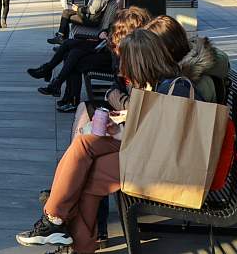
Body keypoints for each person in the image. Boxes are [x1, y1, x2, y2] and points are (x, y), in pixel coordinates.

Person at [16, 29, 198, 252]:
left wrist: (121, 132)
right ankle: (56, 222)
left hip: (166, 166)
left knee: (88, 166)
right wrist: (119, 129)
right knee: (85, 148)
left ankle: (55, 221)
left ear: (141, 61)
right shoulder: (159, 83)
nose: (122, 70)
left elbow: (166, 139)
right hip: (147, 152)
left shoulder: (175, 87)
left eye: (126, 63)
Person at [35, 5, 151, 114]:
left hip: (107, 55)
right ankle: (60, 87)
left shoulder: (129, 31)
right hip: (104, 48)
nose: (116, 1)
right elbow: (108, 28)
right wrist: (104, 33)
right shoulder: (123, 18)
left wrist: (111, 94)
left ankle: (61, 87)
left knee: (74, 56)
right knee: (71, 50)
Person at [48, 0, 114, 45]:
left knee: (66, 16)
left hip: (91, 20)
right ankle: (61, 38)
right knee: (66, 12)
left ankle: (62, 39)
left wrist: (78, 9)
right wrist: (79, 8)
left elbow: (92, 10)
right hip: (90, 16)